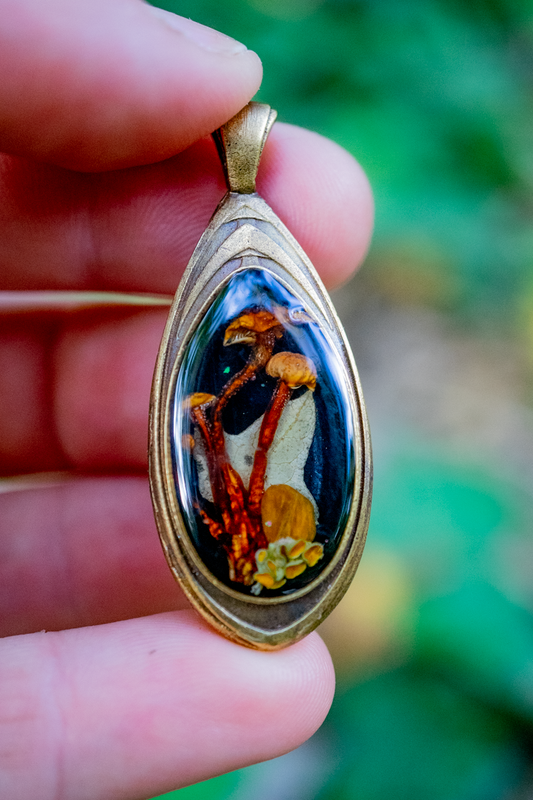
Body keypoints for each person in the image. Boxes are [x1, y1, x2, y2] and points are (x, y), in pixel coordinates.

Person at [0, 1, 374, 797]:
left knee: (278, 482)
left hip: (275, 513)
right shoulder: (239, 352)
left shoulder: (280, 355)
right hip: (233, 488)